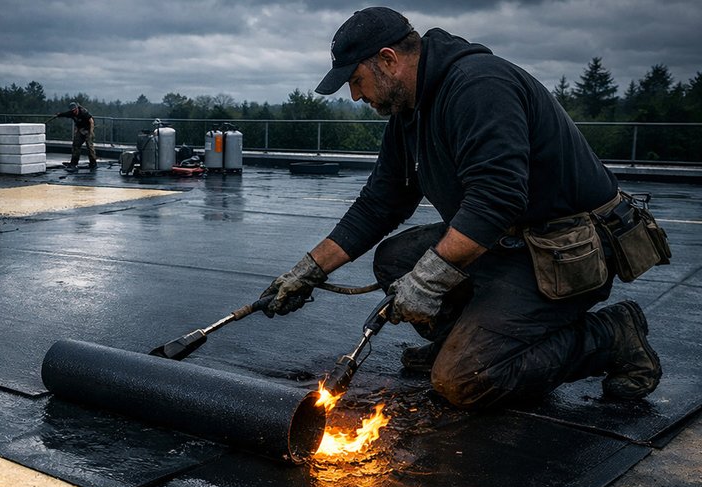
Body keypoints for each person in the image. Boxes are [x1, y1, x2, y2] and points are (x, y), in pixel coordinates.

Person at [261, 7, 662, 408]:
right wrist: (309, 270)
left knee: (464, 380)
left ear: (388, 60)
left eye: (356, 80)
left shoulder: (479, 87)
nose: (355, 95)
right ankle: (462, 340)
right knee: (396, 260)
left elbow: (497, 199)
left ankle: (611, 336)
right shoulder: (410, 112)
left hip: (563, 249)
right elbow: (379, 203)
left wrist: (427, 282)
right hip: (508, 241)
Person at [54, 102, 96, 170]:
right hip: (81, 130)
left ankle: (93, 163)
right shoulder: (71, 113)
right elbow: (65, 114)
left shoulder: (83, 112)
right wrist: (59, 115)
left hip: (88, 129)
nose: (74, 112)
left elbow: (91, 121)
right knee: (76, 145)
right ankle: (74, 163)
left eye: (75, 110)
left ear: (77, 108)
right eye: (72, 110)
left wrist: (91, 132)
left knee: (89, 147)